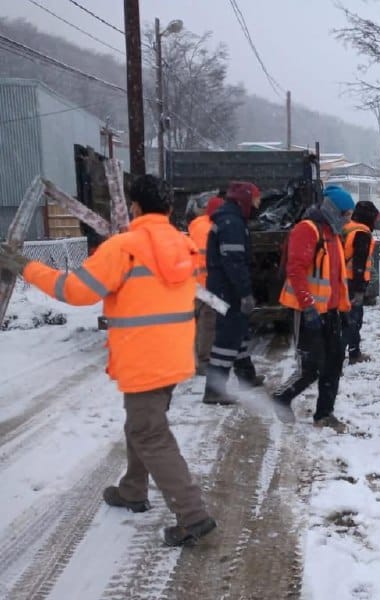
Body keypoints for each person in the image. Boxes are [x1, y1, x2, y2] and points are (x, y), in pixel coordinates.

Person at [0, 174, 215, 546]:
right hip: (174, 355)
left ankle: (193, 516)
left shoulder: (124, 247)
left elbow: (75, 291)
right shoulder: (184, 245)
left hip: (142, 359)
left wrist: (26, 267)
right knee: (143, 425)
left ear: (134, 207)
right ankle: (132, 490)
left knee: (149, 432)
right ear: (168, 208)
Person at [269, 184, 355, 432]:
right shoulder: (307, 230)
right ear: (333, 210)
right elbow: (295, 271)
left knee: (334, 363)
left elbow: (336, 278)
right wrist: (308, 307)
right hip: (309, 311)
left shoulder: (333, 234)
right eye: (346, 213)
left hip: (332, 313)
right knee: (312, 367)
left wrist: (344, 310)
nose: (348, 219)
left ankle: (324, 414)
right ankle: (282, 397)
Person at [202, 181, 264, 405]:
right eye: (256, 200)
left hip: (223, 288)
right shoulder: (232, 223)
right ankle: (214, 389)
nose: (258, 204)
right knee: (227, 338)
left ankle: (246, 376)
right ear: (245, 199)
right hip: (227, 290)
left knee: (239, 333)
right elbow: (234, 263)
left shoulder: (232, 219)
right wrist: (245, 292)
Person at [188, 194, 224, 375]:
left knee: (195, 322)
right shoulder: (210, 229)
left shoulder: (196, 226)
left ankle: (195, 360)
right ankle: (204, 361)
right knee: (207, 323)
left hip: (193, 282)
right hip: (206, 283)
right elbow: (208, 259)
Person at [341, 200, 379, 364]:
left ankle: (350, 353)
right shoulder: (362, 233)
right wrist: (358, 290)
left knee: (347, 320)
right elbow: (359, 263)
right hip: (352, 284)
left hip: (342, 281)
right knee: (353, 321)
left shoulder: (348, 227)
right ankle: (348, 355)